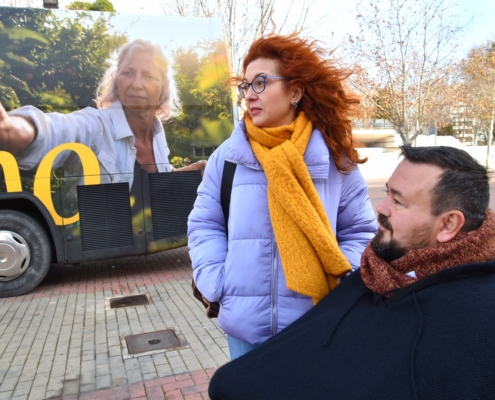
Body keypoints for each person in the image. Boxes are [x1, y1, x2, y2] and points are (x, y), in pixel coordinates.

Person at [208, 145, 495, 400]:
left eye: (398, 201)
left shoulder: (478, 320)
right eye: (386, 194)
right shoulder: (378, 269)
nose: (380, 208)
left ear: (448, 225)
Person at [187, 34, 377, 360]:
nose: (249, 95)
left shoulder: (334, 159)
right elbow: (205, 223)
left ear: (296, 91)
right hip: (245, 330)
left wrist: (337, 287)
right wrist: (217, 281)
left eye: (260, 83)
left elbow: (360, 231)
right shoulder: (228, 157)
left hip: (317, 326)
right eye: (245, 86)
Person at [0, 38, 205, 186]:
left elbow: (152, 180)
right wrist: (12, 129)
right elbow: (56, 129)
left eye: (149, 76)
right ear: (117, 80)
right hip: (99, 245)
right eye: (128, 73)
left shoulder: (157, 133)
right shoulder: (96, 126)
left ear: (164, 86)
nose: (136, 84)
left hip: (152, 247)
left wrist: (187, 172)